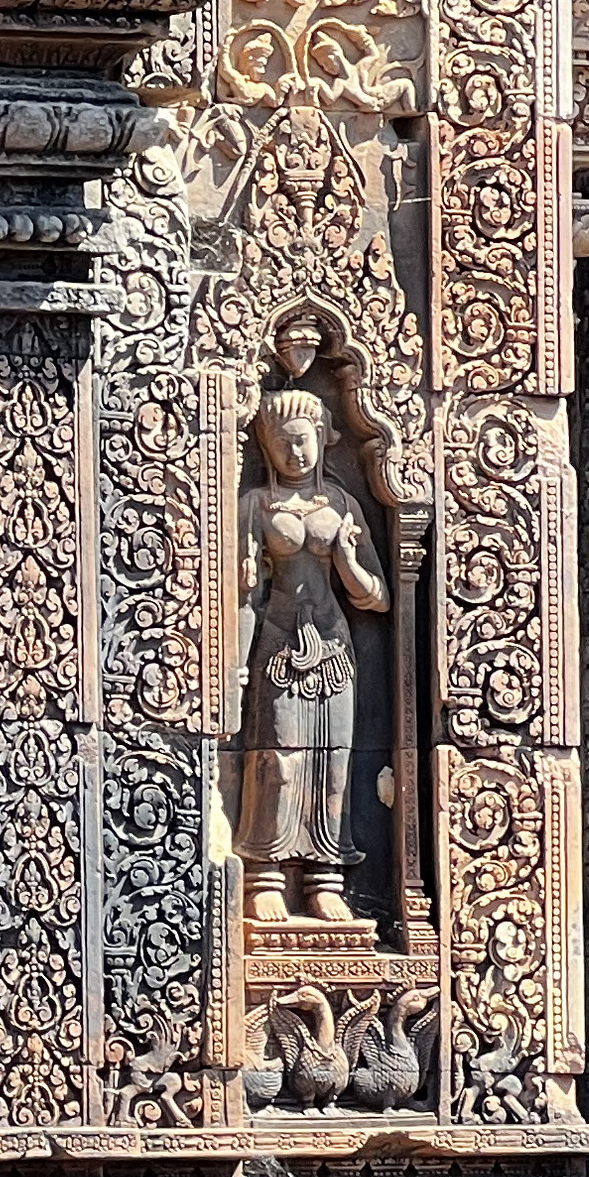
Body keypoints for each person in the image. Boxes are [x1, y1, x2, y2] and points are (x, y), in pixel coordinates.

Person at [235, 371, 388, 923]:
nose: (295, 452)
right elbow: (244, 595)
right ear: (266, 446)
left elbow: (377, 598)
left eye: (304, 439)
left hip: (333, 645)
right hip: (277, 642)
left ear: (323, 436)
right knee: (276, 758)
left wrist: (346, 559)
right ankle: (266, 875)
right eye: (283, 442)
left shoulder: (342, 503)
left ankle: (326, 878)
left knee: (334, 762)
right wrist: (235, 668)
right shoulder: (255, 504)